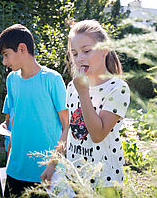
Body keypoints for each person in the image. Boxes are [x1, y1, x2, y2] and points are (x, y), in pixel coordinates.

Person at [42, 20, 130, 197]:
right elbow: (69, 128)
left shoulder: (117, 88)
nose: (79, 58)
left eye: (86, 51)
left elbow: (98, 135)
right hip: (74, 176)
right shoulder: (73, 87)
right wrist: (52, 164)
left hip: (104, 181)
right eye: (74, 53)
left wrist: (84, 92)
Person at [0, 24, 68, 198]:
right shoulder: (11, 80)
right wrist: (8, 161)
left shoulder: (53, 79)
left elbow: (67, 127)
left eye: (6, 55)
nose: (4, 62)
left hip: (47, 172)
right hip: (15, 169)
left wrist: (52, 164)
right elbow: (14, 119)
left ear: (22, 48)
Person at [1, 94, 14, 160]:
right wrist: (4, 124)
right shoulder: (8, 97)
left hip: (23, 141)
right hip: (9, 142)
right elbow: (7, 120)